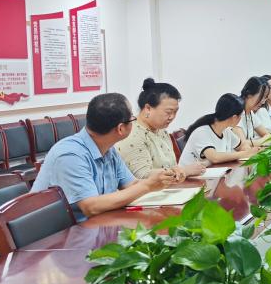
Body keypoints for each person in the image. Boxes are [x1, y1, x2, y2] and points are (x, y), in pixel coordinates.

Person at [32, 93, 178, 221]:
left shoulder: (108, 148)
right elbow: (91, 207)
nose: (134, 120)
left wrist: (159, 179)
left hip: (96, 225)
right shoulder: (70, 155)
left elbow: (131, 185)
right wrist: (147, 186)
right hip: (57, 235)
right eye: (132, 118)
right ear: (120, 128)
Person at [117, 78, 207, 180]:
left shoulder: (161, 130)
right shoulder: (132, 134)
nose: (172, 117)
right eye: (168, 112)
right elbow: (142, 176)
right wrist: (184, 171)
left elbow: (171, 166)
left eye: (175, 112)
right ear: (148, 108)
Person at [180, 94, 258, 166]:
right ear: (234, 117)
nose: (240, 119)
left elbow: (242, 145)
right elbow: (215, 158)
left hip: (213, 173)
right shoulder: (202, 132)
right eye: (240, 116)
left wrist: (246, 150)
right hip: (188, 176)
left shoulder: (226, 131)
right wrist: (245, 153)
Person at [236, 76, 271, 140]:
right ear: (249, 93)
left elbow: (268, 135)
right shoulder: (236, 112)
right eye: (261, 97)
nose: (263, 102)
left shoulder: (250, 113)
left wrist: (252, 143)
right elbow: (243, 144)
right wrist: (258, 142)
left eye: (265, 98)